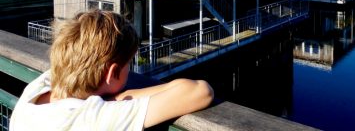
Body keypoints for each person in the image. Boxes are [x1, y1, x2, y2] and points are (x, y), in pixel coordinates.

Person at [10, 10, 214, 130]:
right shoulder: (91, 118)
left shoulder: (36, 88)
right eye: (128, 65)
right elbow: (200, 92)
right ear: (112, 72)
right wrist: (119, 98)